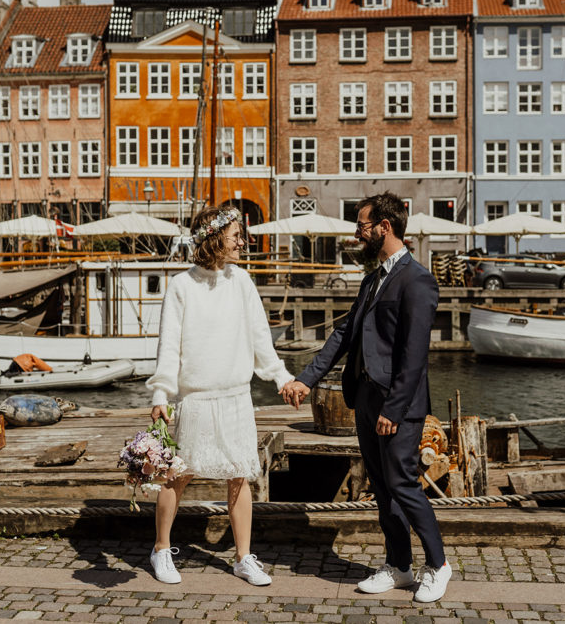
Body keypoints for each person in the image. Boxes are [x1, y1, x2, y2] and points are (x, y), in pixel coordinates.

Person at [281, 193, 451, 603]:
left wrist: (393, 409)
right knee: (382, 486)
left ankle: (438, 565)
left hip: (398, 405)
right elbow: (344, 334)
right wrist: (307, 379)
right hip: (365, 399)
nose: (356, 233)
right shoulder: (373, 278)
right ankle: (399, 565)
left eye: (361, 225)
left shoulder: (418, 280)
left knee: (402, 483)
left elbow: (413, 356)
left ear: (384, 228)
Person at [146, 206, 293, 587]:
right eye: (235, 236)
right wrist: (161, 392)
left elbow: (261, 337)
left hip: (236, 397)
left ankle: (243, 558)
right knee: (177, 476)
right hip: (196, 398)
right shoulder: (181, 287)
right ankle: (161, 549)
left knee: (239, 476)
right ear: (214, 240)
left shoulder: (241, 281)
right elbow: (169, 346)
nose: (243, 241)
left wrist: (281, 378)